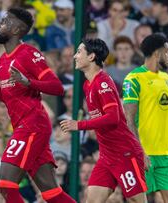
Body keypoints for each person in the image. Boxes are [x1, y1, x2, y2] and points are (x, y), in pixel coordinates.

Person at [0, 7, 75, 203]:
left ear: (17, 30)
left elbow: (57, 87)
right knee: (52, 193)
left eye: (5, 21)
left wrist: (29, 82)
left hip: (32, 125)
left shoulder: (28, 53)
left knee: (6, 186)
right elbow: (7, 96)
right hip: (26, 126)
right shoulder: (3, 59)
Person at [60, 38, 146, 203]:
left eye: (79, 52)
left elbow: (113, 117)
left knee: (137, 201)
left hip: (124, 153)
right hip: (107, 156)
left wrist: (80, 125)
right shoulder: (88, 85)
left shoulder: (103, 82)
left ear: (91, 57)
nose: (75, 57)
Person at [123, 34, 168, 202]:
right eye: (167, 52)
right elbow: (129, 120)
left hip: (166, 154)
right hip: (143, 152)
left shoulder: (167, 79)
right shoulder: (133, 79)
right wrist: (140, 151)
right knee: (141, 200)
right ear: (158, 53)